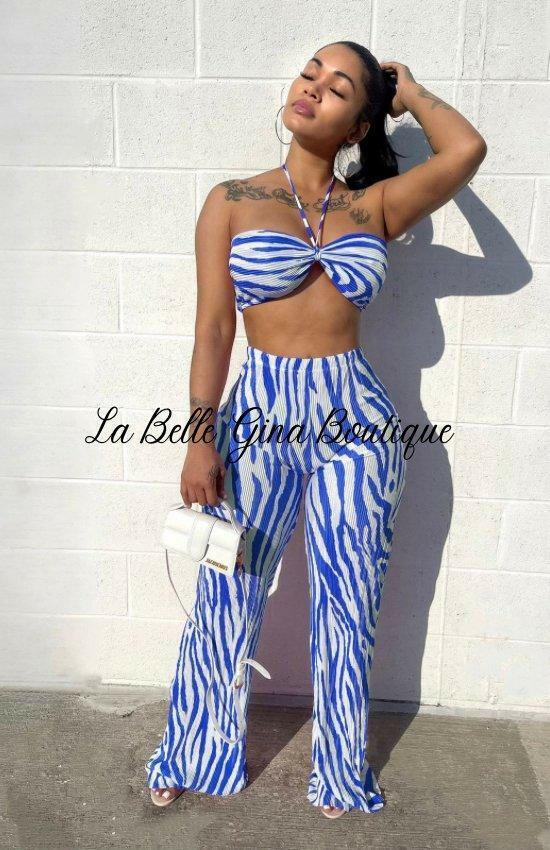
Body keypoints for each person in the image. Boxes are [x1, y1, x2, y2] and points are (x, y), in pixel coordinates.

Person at [146, 41, 487, 817]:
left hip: (357, 422)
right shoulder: (232, 198)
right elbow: (212, 330)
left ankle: (338, 770)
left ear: (359, 123)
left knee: (349, 599)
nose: (312, 89)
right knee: (228, 590)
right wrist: (200, 437)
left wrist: (409, 92)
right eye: (309, 74)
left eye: (337, 88)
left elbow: (466, 150)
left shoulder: (378, 206)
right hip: (258, 416)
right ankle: (193, 749)